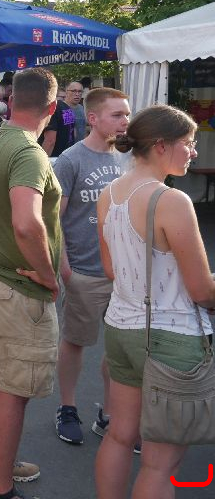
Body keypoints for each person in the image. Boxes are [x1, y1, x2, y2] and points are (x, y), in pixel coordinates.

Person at [94, 105, 215, 499]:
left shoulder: (110, 194)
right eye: (188, 143)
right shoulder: (170, 200)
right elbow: (202, 291)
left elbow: (111, 270)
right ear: (161, 146)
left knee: (119, 435)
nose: (193, 151)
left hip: (121, 327)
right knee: (161, 464)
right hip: (171, 337)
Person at [0, 68, 60, 497]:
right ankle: (0, 487)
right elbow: (27, 222)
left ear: (12, 99)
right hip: (19, 286)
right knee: (13, 388)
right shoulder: (29, 152)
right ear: (51, 107)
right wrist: (47, 273)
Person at [50, 87, 131, 446]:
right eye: (117, 115)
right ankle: (67, 408)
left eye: (127, 114)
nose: (125, 121)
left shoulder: (128, 159)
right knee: (75, 342)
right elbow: (54, 219)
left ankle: (109, 414)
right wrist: (65, 268)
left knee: (119, 348)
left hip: (123, 275)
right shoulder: (70, 160)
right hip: (84, 271)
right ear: (94, 118)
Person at [40, 84, 77, 157]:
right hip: (68, 154)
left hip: (54, 157)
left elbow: (50, 141)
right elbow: (74, 133)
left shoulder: (53, 109)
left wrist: (43, 159)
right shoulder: (68, 108)